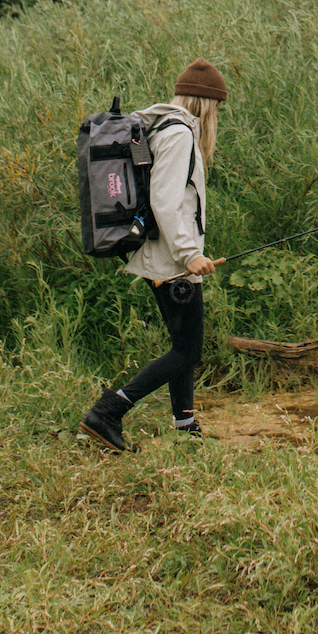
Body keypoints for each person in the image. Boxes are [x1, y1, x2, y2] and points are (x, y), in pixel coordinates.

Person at [80, 58, 228, 452]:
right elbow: (164, 199)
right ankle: (107, 412)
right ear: (206, 104)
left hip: (162, 256)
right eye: (217, 108)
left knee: (182, 343)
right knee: (188, 349)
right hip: (173, 259)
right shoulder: (180, 134)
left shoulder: (161, 126)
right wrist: (187, 254)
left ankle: (185, 424)